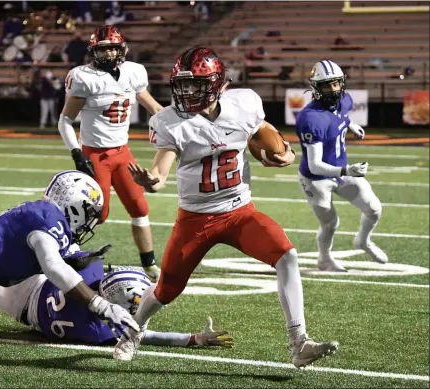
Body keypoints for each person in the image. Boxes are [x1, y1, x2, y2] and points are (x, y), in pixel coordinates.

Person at [112, 47, 339, 369]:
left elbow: (268, 135)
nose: (188, 92)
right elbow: (161, 174)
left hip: (239, 211)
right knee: (167, 289)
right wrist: (151, 181)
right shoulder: (170, 122)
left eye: (197, 85)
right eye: (183, 85)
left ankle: (299, 342)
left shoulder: (243, 103)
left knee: (286, 255)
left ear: (218, 84)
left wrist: (285, 154)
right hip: (196, 218)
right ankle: (132, 332)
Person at [0, 171, 139, 339]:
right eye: (89, 213)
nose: (89, 222)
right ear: (76, 206)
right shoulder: (49, 219)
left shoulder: (38, 212)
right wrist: (100, 305)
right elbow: (53, 266)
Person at [58, 26, 164, 282]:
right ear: (93, 51)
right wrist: (76, 153)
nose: (108, 53)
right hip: (95, 155)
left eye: (112, 47)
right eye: (102, 48)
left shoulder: (133, 72)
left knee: (139, 206)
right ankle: (63, 256)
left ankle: (149, 265)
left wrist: (177, 125)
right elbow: (65, 120)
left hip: (122, 153)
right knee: (97, 214)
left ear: (122, 49)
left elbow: (155, 108)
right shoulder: (84, 77)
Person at [295, 60, 388, 272]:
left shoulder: (345, 100)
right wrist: (347, 171)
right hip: (316, 179)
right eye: (327, 85)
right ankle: (324, 258)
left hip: (342, 169)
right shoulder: (310, 119)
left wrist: (351, 125)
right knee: (330, 223)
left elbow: (340, 116)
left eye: (336, 83)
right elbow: (316, 165)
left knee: (374, 209)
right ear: (316, 88)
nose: (333, 89)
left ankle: (363, 241)